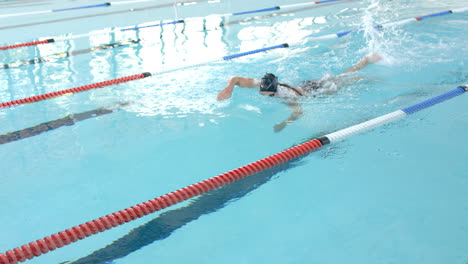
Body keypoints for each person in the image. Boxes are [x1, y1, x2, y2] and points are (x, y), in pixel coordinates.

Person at [216, 53, 382, 132]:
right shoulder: (262, 83)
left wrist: (284, 124)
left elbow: (298, 111)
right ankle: (361, 67)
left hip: (314, 91)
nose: (262, 93)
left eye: (267, 94)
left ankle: (363, 64)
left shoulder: (286, 95)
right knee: (338, 78)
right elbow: (236, 78)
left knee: (341, 81)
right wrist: (228, 88)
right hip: (304, 85)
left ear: (274, 91)